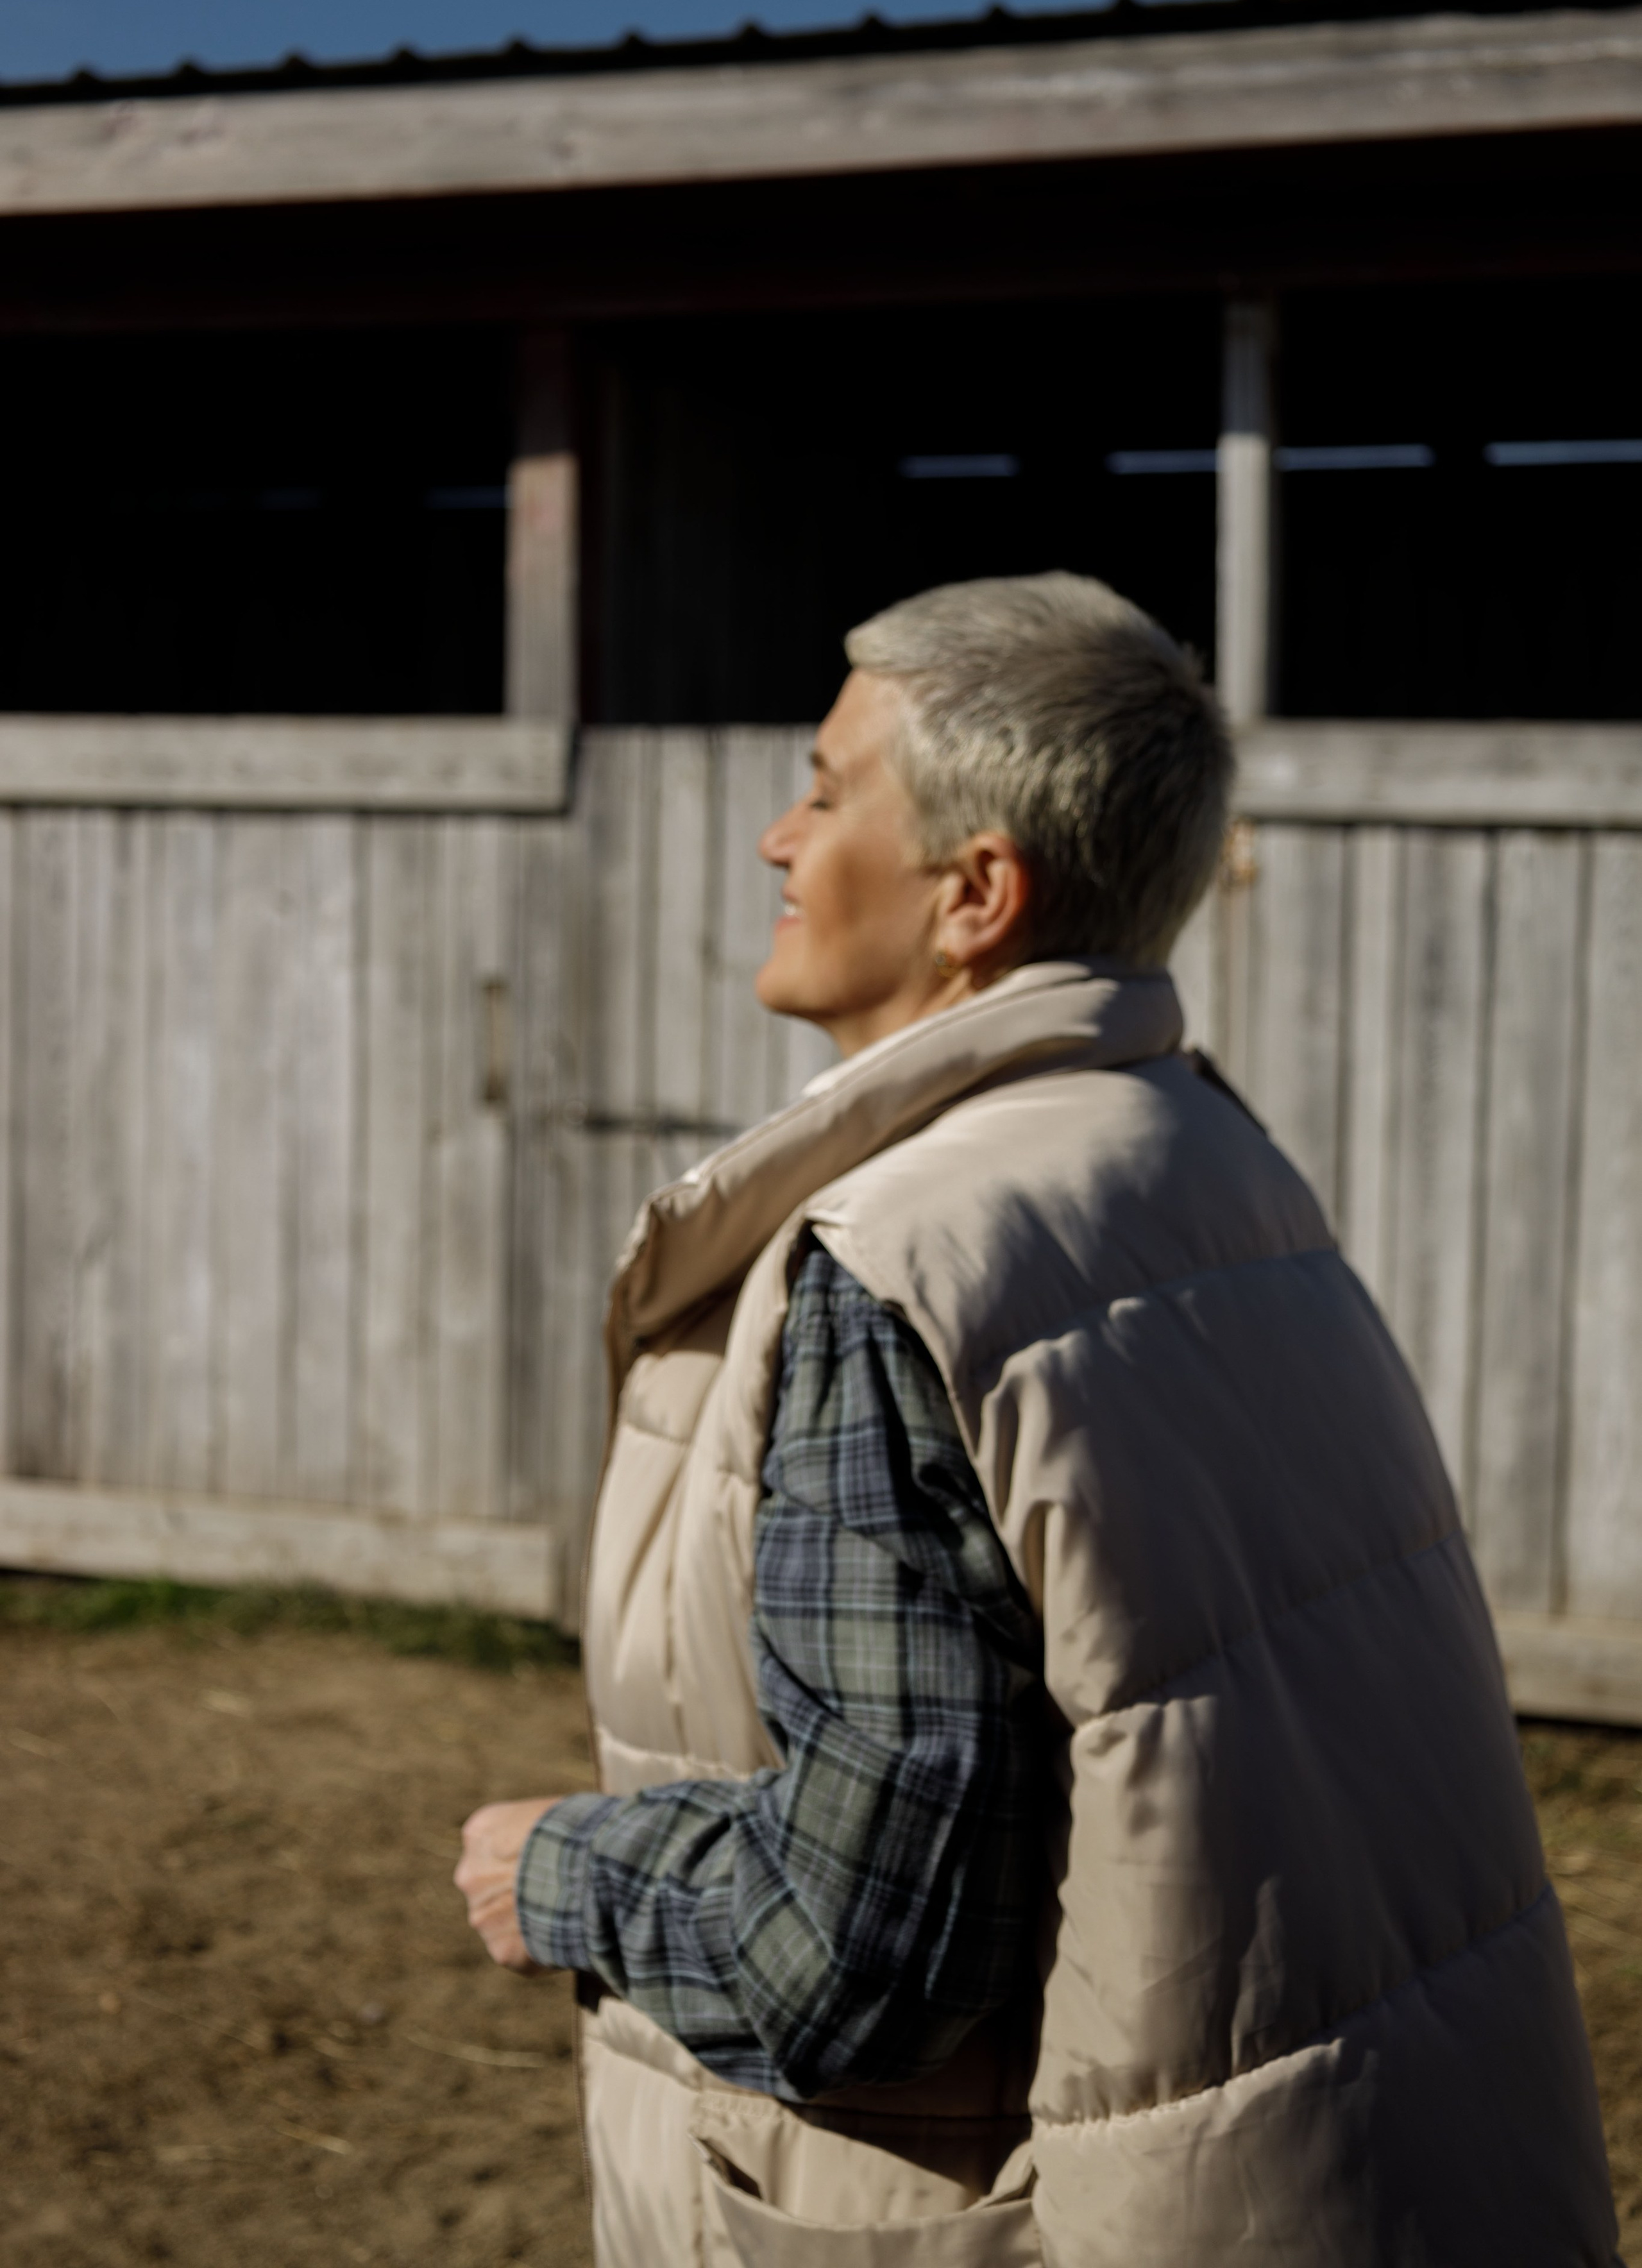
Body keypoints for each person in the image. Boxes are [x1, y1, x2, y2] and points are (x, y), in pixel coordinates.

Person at [457, 573, 1617, 2266]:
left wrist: (562, 1870)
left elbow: (865, 1944)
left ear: (976, 892)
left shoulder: (904, 1260)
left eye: (828, 790)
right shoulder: (1202, 1162)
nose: (779, 842)